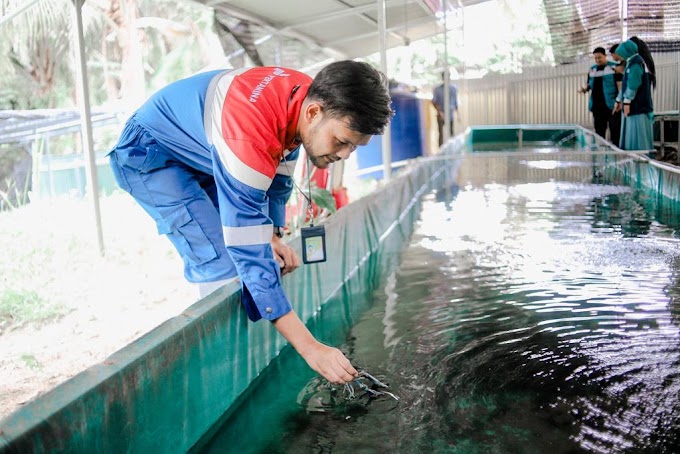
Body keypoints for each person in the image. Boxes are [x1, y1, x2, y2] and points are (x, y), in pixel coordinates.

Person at [108, 61, 394, 384]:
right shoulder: (248, 136)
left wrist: (272, 234)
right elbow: (246, 250)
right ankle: (220, 375)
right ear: (313, 113)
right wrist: (311, 348)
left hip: (201, 150)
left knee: (253, 252)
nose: (345, 155)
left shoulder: (307, 96)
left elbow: (282, 169)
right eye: (341, 141)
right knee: (221, 262)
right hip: (151, 154)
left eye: (355, 147)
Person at [614, 39, 654, 150]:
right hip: (634, 107)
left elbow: (633, 85)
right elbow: (625, 86)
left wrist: (626, 102)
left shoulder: (636, 64)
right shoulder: (631, 63)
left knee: (637, 137)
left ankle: (640, 161)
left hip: (638, 108)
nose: (620, 56)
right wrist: (618, 100)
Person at [578, 47, 621, 146]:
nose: (597, 60)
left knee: (615, 130)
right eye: (595, 58)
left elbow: (620, 86)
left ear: (605, 56)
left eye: (599, 57)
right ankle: (600, 155)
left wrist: (619, 101)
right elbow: (589, 84)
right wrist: (584, 89)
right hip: (597, 106)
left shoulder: (614, 67)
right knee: (599, 132)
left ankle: (616, 152)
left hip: (611, 105)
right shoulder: (592, 70)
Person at [432, 73, 459, 146]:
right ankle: (441, 151)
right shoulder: (437, 89)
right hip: (440, 114)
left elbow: (455, 102)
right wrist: (440, 112)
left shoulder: (453, 88)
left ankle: (452, 149)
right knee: (441, 134)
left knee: (451, 133)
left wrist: (458, 115)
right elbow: (434, 102)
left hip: (450, 114)